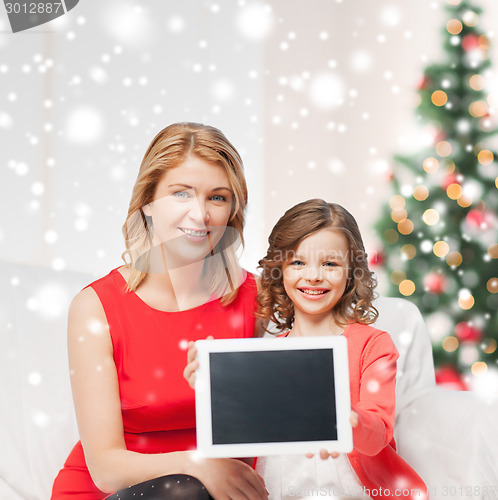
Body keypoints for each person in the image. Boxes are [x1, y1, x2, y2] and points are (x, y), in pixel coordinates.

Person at [51, 122, 269, 500]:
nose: (200, 215)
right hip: (117, 493)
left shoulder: (256, 298)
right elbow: (105, 468)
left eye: (217, 198)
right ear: (148, 201)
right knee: (186, 491)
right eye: (181, 193)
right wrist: (196, 464)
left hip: (217, 493)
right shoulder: (96, 308)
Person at [185, 199, 428, 500]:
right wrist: (215, 389)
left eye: (330, 263)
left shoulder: (372, 345)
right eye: (298, 262)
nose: (313, 276)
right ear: (280, 269)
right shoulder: (266, 355)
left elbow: (378, 434)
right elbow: (244, 433)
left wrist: (349, 417)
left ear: (351, 271)